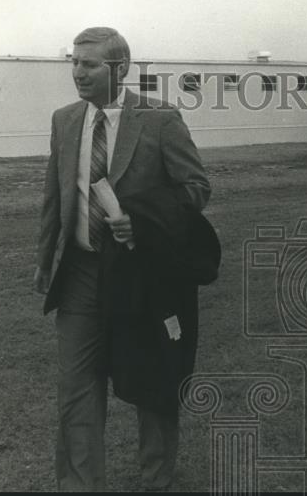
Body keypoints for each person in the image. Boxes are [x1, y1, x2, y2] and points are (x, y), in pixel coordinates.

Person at [34, 27, 211, 491]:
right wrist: (43, 259)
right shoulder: (65, 119)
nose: (77, 73)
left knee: (151, 383)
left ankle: (158, 481)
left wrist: (143, 222)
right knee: (76, 389)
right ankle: (80, 485)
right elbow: (55, 195)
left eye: (88, 65)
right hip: (80, 275)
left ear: (120, 69)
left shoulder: (159, 119)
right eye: (73, 62)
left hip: (141, 277)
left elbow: (196, 189)